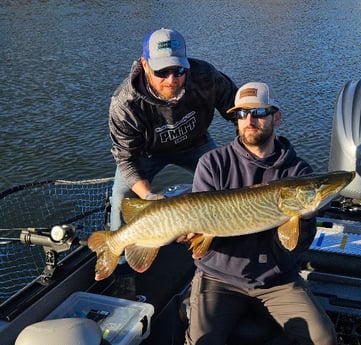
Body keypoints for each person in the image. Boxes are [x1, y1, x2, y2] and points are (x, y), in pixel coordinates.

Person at [180, 82, 337, 344]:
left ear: (277, 117)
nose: (249, 120)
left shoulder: (297, 173)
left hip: (276, 280)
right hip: (219, 278)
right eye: (241, 114)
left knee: (323, 338)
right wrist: (189, 233)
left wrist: (307, 217)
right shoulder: (213, 163)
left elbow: (297, 245)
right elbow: (200, 240)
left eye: (258, 112)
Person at [108, 28, 238, 298]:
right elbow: (126, 159)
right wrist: (149, 198)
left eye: (178, 71)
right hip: (146, 155)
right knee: (121, 198)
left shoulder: (205, 77)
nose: (172, 79)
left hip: (195, 145)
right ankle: (122, 272)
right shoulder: (125, 103)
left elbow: (237, 112)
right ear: (144, 65)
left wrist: (249, 151)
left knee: (228, 186)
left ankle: (228, 250)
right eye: (162, 72)